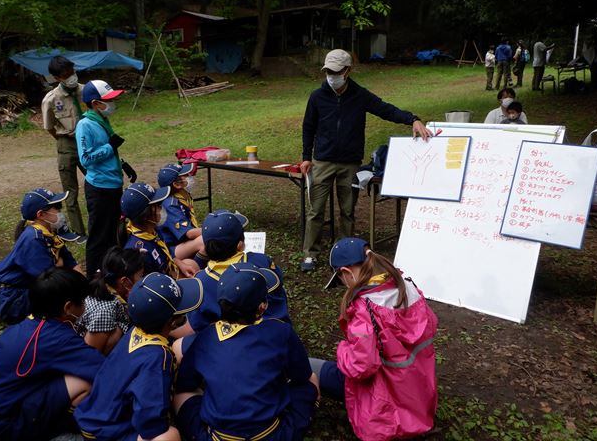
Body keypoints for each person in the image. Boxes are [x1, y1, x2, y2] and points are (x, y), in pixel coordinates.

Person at [300, 49, 431, 272]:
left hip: (350, 162)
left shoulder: (359, 95)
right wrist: (306, 157)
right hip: (322, 161)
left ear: (347, 71)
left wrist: (413, 119)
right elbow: (308, 127)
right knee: (316, 210)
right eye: (328, 72)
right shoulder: (317, 96)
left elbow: (385, 109)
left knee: (347, 210)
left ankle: (344, 254)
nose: (331, 76)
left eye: (336, 72)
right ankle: (310, 254)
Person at [310, 238, 438, 441]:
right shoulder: (408, 287)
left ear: (346, 272)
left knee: (310, 366)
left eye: (341, 280)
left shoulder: (365, 311)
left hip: (384, 417)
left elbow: (361, 366)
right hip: (418, 399)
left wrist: (343, 349)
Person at [173, 263, 319, 441]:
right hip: (272, 435)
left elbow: (185, 383)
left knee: (181, 394)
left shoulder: (205, 336)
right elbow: (302, 376)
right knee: (312, 379)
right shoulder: (280, 331)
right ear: (262, 307)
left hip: (218, 437)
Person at [0, 268, 105, 441]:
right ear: (68, 307)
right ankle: (61, 433)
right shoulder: (57, 339)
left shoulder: (31, 323)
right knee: (84, 382)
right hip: (6, 424)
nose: (86, 306)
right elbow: (102, 370)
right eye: (83, 302)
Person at [75, 272, 203, 441]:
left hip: (96, 416)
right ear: (172, 322)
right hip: (108, 432)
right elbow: (150, 423)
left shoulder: (137, 331)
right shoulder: (158, 357)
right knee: (169, 436)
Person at [0, 188, 83, 324]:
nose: (60, 213)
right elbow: (49, 280)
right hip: (14, 297)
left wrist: (82, 284)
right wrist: (60, 268)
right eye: (56, 208)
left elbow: (71, 263)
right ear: (41, 214)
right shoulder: (32, 239)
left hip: (31, 286)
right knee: (58, 303)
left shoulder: (49, 232)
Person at [182, 210, 289, 337]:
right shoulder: (261, 260)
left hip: (231, 342)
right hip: (277, 330)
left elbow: (198, 324)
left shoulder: (200, 281)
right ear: (240, 245)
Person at [76, 79, 138, 278]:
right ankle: (94, 280)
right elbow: (85, 159)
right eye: (108, 100)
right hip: (99, 187)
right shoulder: (85, 125)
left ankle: (110, 273)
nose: (112, 105)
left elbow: (107, 151)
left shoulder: (101, 120)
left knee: (112, 234)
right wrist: (110, 147)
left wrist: (123, 164)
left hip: (113, 184)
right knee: (98, 237)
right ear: (95, 103)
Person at [41, 56, 87, 241]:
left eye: (72, 72)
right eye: (66, 75)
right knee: (71, 192)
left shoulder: (85, 91)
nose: (71, 77)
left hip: (87, 144)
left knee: (97, 184)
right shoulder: (51, 99)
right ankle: (79, 232)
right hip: (66, 145)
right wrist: (64, 138)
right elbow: (50, 127)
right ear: (57, 78)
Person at [119, 182, 197, 279]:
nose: (161, 208)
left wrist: (181, 264)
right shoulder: (140, 253)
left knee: (192, 264)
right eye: (157, 205)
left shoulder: (152, 229)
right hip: (160, 288)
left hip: (169, 275)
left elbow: (166, 253)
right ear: (145, 215)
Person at [77, 246, 144, 354]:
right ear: (125, 282)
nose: (142, 280)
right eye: (140, 276)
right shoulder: (104, 311)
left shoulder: (110, 289)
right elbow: (89, 356)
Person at [157, 163, 208, 269]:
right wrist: (213, 229)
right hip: (172, 248)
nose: (189, 177)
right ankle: (197, 268)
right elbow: (189, 233)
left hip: (181, 242)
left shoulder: (182, 195)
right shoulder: (170, 204)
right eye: (185, 175)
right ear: (176, 184)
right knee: (205, 240)